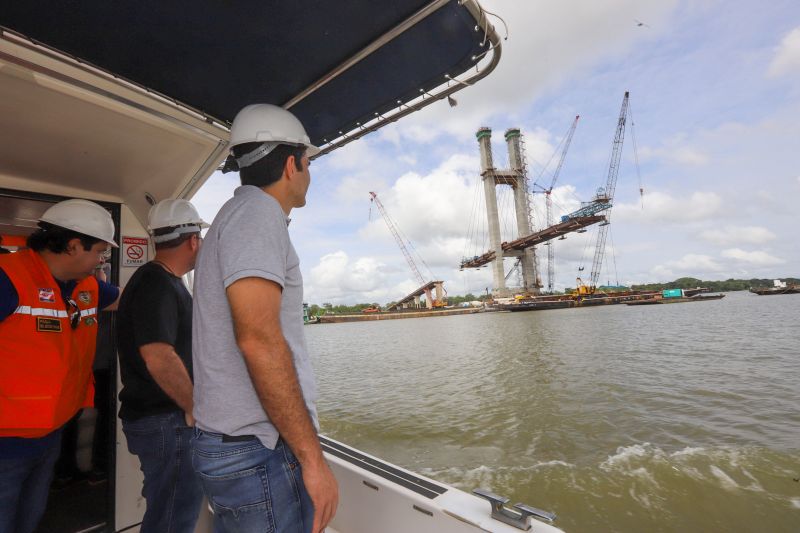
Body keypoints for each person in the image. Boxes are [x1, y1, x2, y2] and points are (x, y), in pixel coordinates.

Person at [192, 104, 338, 533]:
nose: (309, 173)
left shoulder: (234, 216)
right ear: (292, 165)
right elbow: (258, 339)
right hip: (256, 450)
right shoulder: (257, 215)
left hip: (239, 445)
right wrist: (312, 461)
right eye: (308, 162)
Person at [0, 199, 120, 533]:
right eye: (99, 251)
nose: (102, 260)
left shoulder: (88, 286)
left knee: (29, 519)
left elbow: (131, 298)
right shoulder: (8, 278)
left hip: (50, 435)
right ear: (72, 245)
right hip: (5, 444)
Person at [116, 199, 207, 532]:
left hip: (160, 422)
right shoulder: (157, 283)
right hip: (168, 423)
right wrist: (195, 405)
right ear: (193, 240)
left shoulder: (158, 281)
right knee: (173, 518)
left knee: (165, 509)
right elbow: (159, 356)